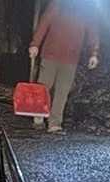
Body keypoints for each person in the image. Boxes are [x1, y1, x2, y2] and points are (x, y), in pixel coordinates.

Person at [28, 0, 99, 134]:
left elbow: (92, 32)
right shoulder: (58, 4)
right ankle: (38, 117)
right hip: (50, 54)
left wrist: (93, 53)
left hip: (71, 58)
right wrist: (35, 44)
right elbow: (45, 22)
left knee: (62, 91)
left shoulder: (87, 9)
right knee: (44, 86)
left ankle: (54, 123)